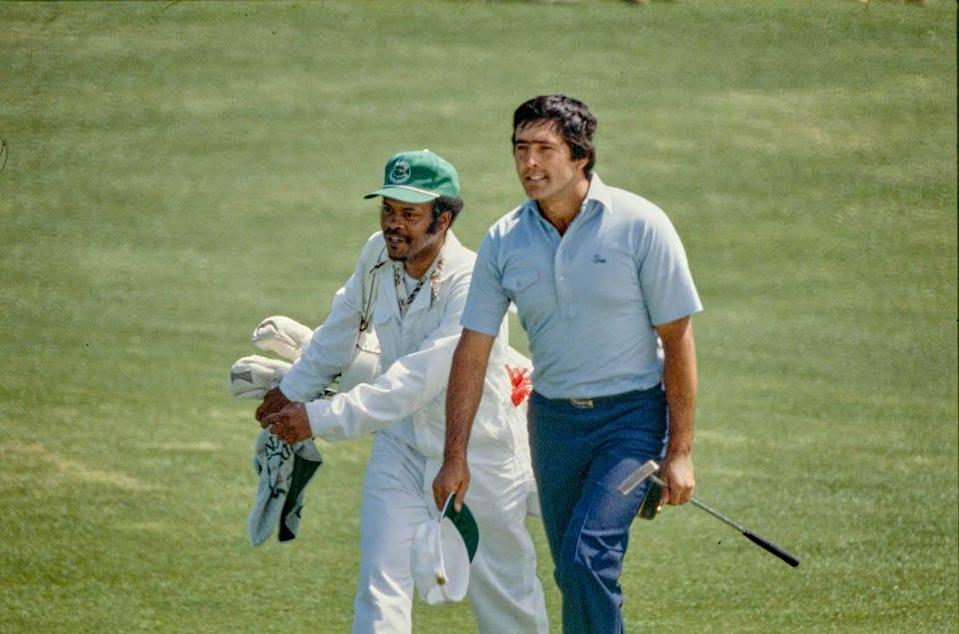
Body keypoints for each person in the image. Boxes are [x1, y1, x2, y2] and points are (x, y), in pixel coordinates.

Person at [433, 95, 703, 633]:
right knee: (572, 570)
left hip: (630, 423)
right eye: (520, 149)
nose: (529, 164)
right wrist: (454, 456)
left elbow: (678, 339)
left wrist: (680, 451)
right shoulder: (505, 240)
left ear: (580, 157)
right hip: (553, 424)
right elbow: (473, 350)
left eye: (544, 149)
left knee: (587, 562)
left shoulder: (641, 224)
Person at [256, 149, 548, 634]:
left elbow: (415, 380)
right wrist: (291, 391)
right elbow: (340, 328)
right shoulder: (376, 254)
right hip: (401, 449)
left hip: (478, 457)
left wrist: (318, 418)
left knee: (506, 601)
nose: (395, 225)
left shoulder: (474, 281)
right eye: (388, 209)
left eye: (410, 214)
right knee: (379, 586)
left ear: (445, 218)